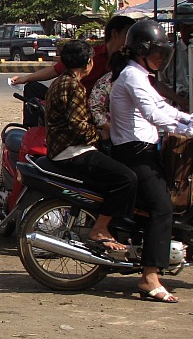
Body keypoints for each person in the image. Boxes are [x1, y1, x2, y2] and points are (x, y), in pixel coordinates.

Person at [110, 19, 193, 304]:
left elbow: (161, 106)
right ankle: (149, 276)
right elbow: (153, 116)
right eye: (156, 53)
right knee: (162, 208)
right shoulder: (131, 76)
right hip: (134, 152)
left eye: (162, 54)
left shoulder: (140, 75)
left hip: (144, 149)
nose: (160, 58)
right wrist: (189, 131)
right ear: (141, 50)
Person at [44, 40, 137, 252]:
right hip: (72, 151)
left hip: (63, 148)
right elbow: (78, 126)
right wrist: (100, 135)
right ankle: (101, 229)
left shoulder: (60, 82)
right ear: (88, 62)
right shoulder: (73, 86)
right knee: (126, 178)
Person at [11, 15, 137, 124]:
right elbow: (55, 70)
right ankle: (32, 132)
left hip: (107, 108)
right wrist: (25, 79)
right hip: (78, 105)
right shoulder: (91, 56)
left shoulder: (131, 60)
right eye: (128, 34)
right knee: (31, 87)